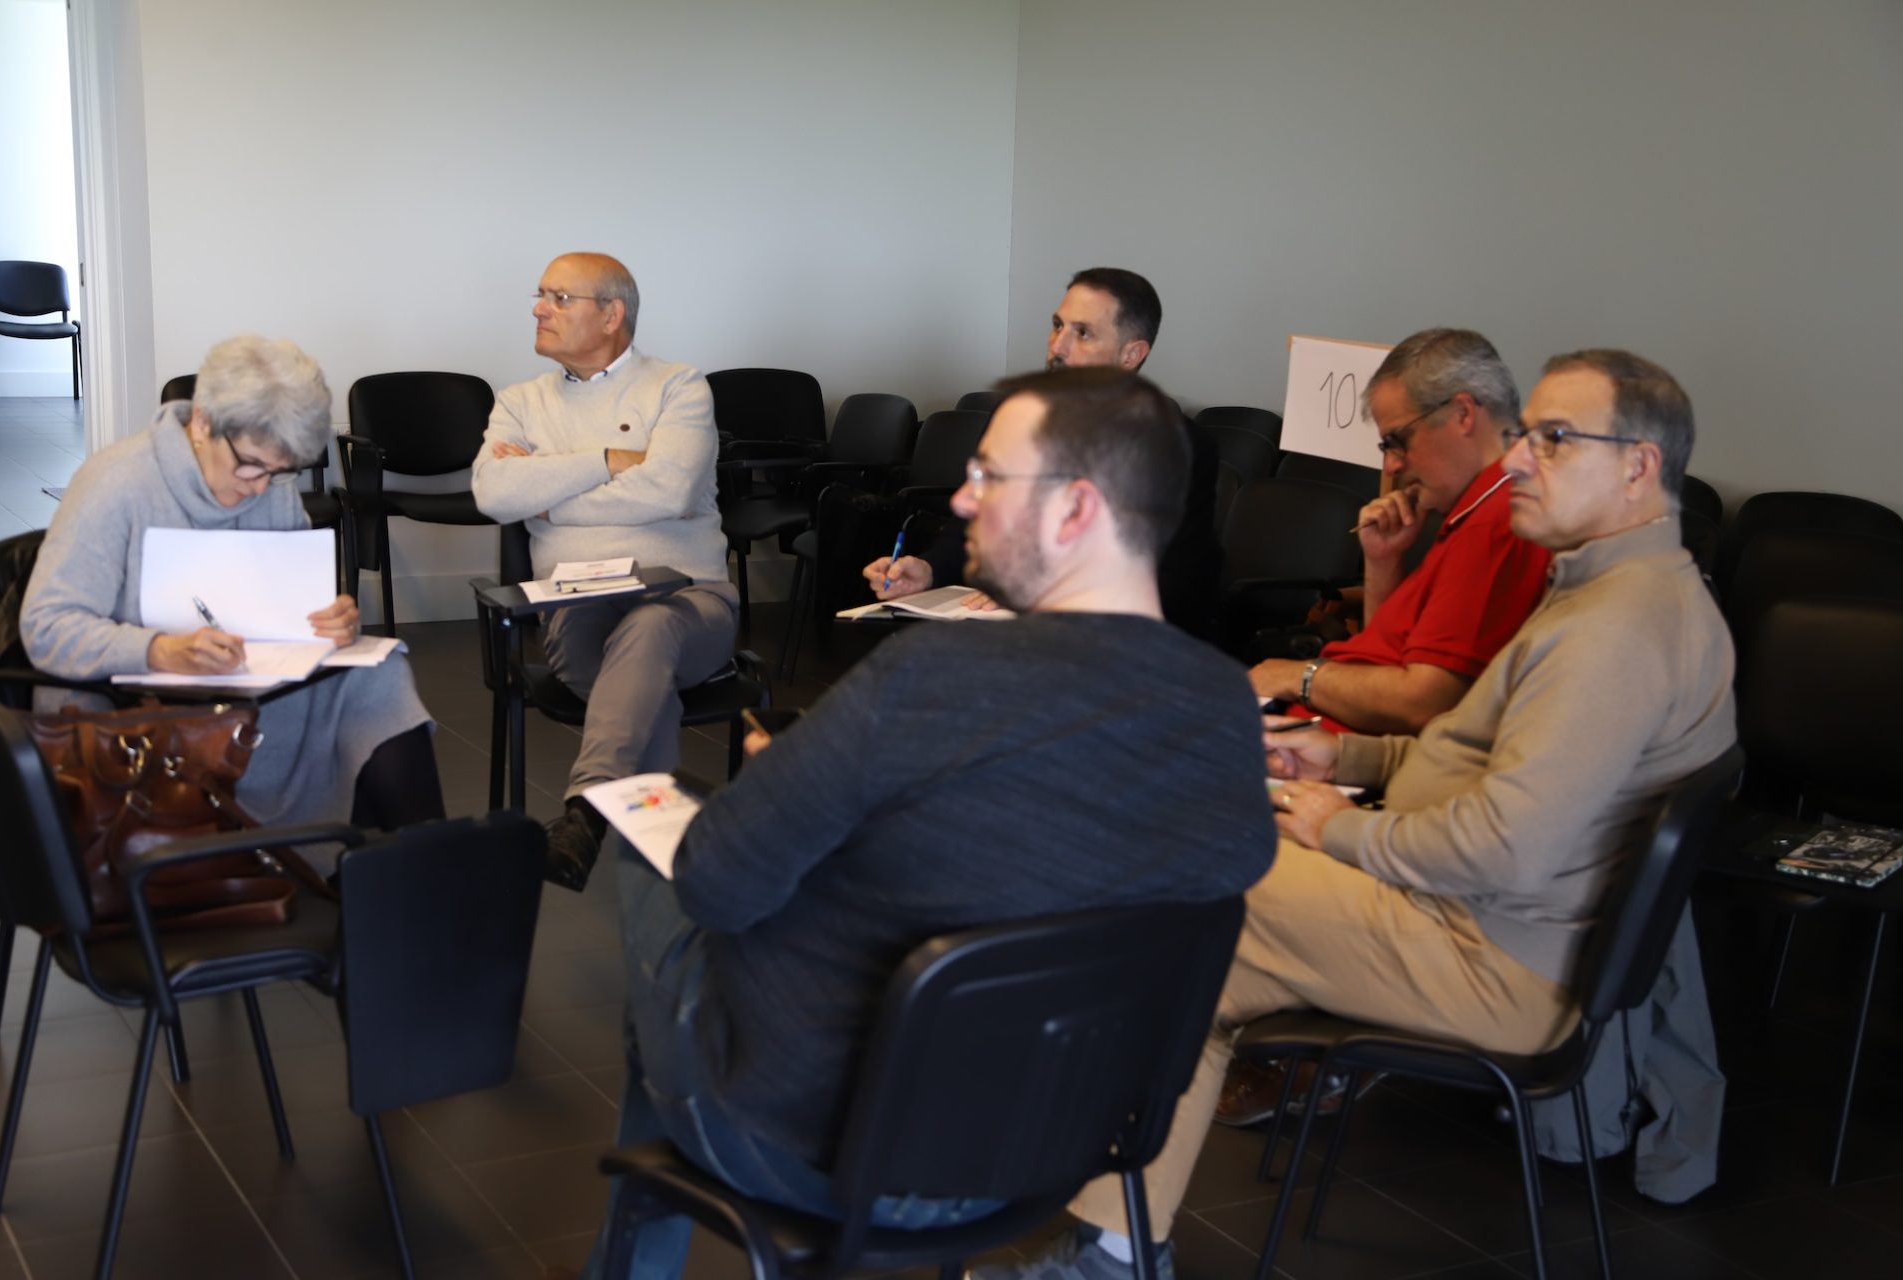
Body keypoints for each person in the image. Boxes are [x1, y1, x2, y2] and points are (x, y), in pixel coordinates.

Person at [986, 349, 1737, 1280]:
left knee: (1183, 890)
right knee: (1187, 956)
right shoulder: (1631, 592)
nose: (1516, 459)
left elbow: (1503, 845)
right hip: (1497, 932)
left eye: (1552, 439)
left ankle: (1070, 1204)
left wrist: (1335, 827)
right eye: (1524, 435)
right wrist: (1346, 757)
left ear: (1638, 467)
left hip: (1492, 959)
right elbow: (1492, 763)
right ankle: (1112, 1242)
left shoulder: (1614, 632)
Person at [580, 367, 1276, 1280]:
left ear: (1076, 507)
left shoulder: (929, 678)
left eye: (989, 476)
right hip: (1062, 1146)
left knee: (654, 849)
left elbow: (719, 886)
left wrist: (783, 790)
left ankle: (632, 1260)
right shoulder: (1226, 707)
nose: (961, 498)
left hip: (826, 1151)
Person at [20, 335, 443, 847]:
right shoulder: (115, 484)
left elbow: (295, 601)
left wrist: (332, 617)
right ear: (202, 423)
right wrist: (159, 649)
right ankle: (348, 866)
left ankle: (423, 866)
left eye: (280, 470)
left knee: (380, 676)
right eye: (251, 464)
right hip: (141, 718)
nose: (260, 487)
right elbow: (46, 627)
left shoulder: (270, 484)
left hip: (249, 690)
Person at [471, 253, 737, 890]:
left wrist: (549, 498)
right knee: (645, 680)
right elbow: (493, 494)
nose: (539, 309)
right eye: (541, 295)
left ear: (612, 314)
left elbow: (671, 489)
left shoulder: (679, 386)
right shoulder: (520, 402)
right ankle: (666, 863)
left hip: (691, 601)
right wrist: (610, 459)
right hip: (578, 607)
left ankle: (586, 811)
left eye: (559, 298)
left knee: (652, 626)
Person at [863, 268, 1223, 636]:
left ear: (1131, 354)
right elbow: (971, 528)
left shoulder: (1178, 446)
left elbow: (1178, 580)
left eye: (1082, 333)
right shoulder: (1015, 420)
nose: (1057, 347)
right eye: (1057, 326)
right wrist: (930, 569)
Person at [1246, 328, 1552, 736]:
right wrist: (1382, 561)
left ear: (1463, 414)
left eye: (1397, 440)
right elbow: (1386, 658)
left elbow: (1422, 704)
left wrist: (1298, 676)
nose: (1391, 465)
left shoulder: (1496, 522)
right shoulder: (1476, 506)